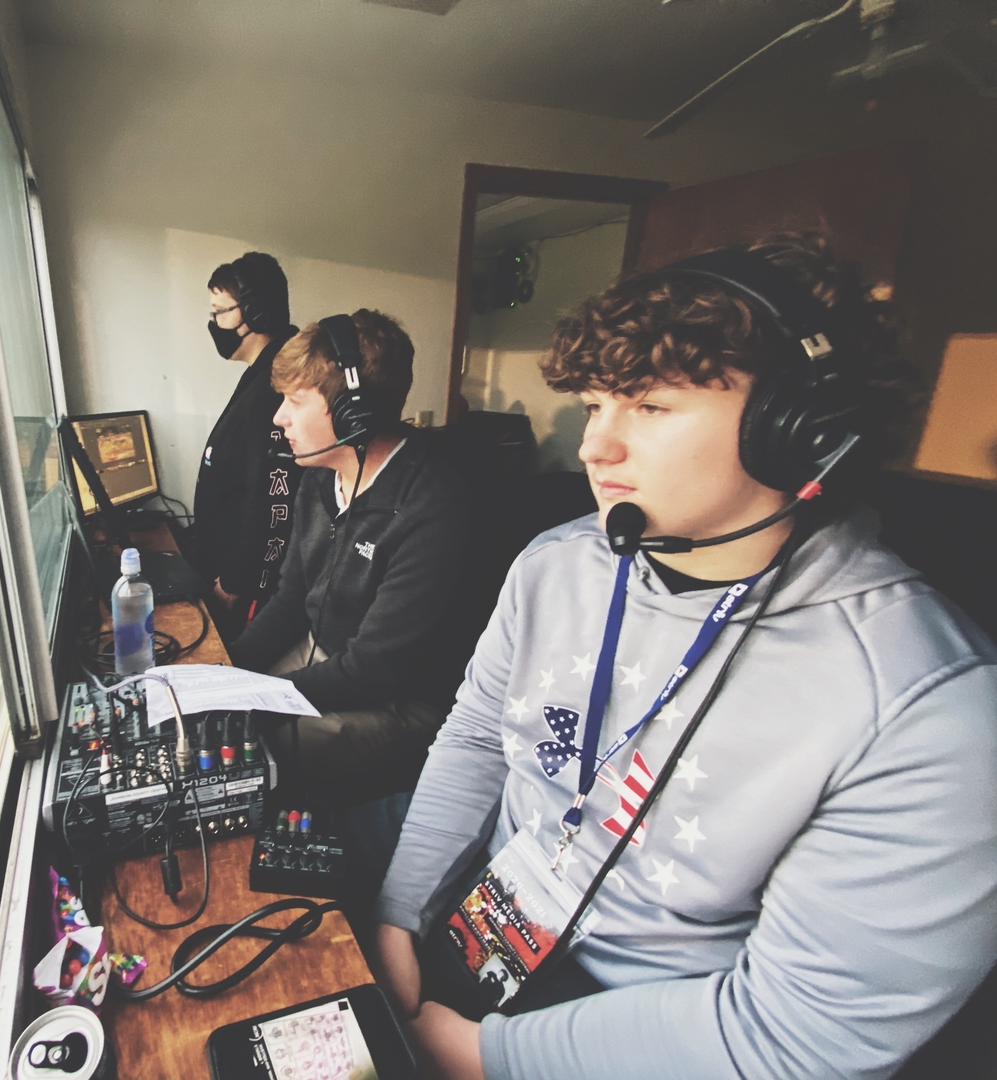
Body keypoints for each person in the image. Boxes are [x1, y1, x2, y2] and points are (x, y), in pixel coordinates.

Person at [370, 235, 997, 1079]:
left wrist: (484, 1056)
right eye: (596, 405)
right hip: (477, 923)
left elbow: (794, 1040)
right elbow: (482, 737)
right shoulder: (558, 563)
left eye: (651, 407)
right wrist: (399, 916)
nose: (595, 446)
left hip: (645, 1034)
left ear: (800, 433)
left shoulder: (931, 711)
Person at [227, 310, 478, 806]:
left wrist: (256, 700)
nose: (279, 418)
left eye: (295, 402)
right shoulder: (319, 476)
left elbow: (373, 670)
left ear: (352, 412)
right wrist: (227, 672)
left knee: (250, 753)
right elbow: (292, 597)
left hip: (399, 699)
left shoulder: (432, 506)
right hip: (325, 655)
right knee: (219, 717)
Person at [190, 252, 302, 640]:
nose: (213, 323)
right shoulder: (262, 373)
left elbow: (270, 496)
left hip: (240, 588)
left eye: (220, 312)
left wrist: (236, 582)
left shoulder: (274, 386)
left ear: (254, 312)